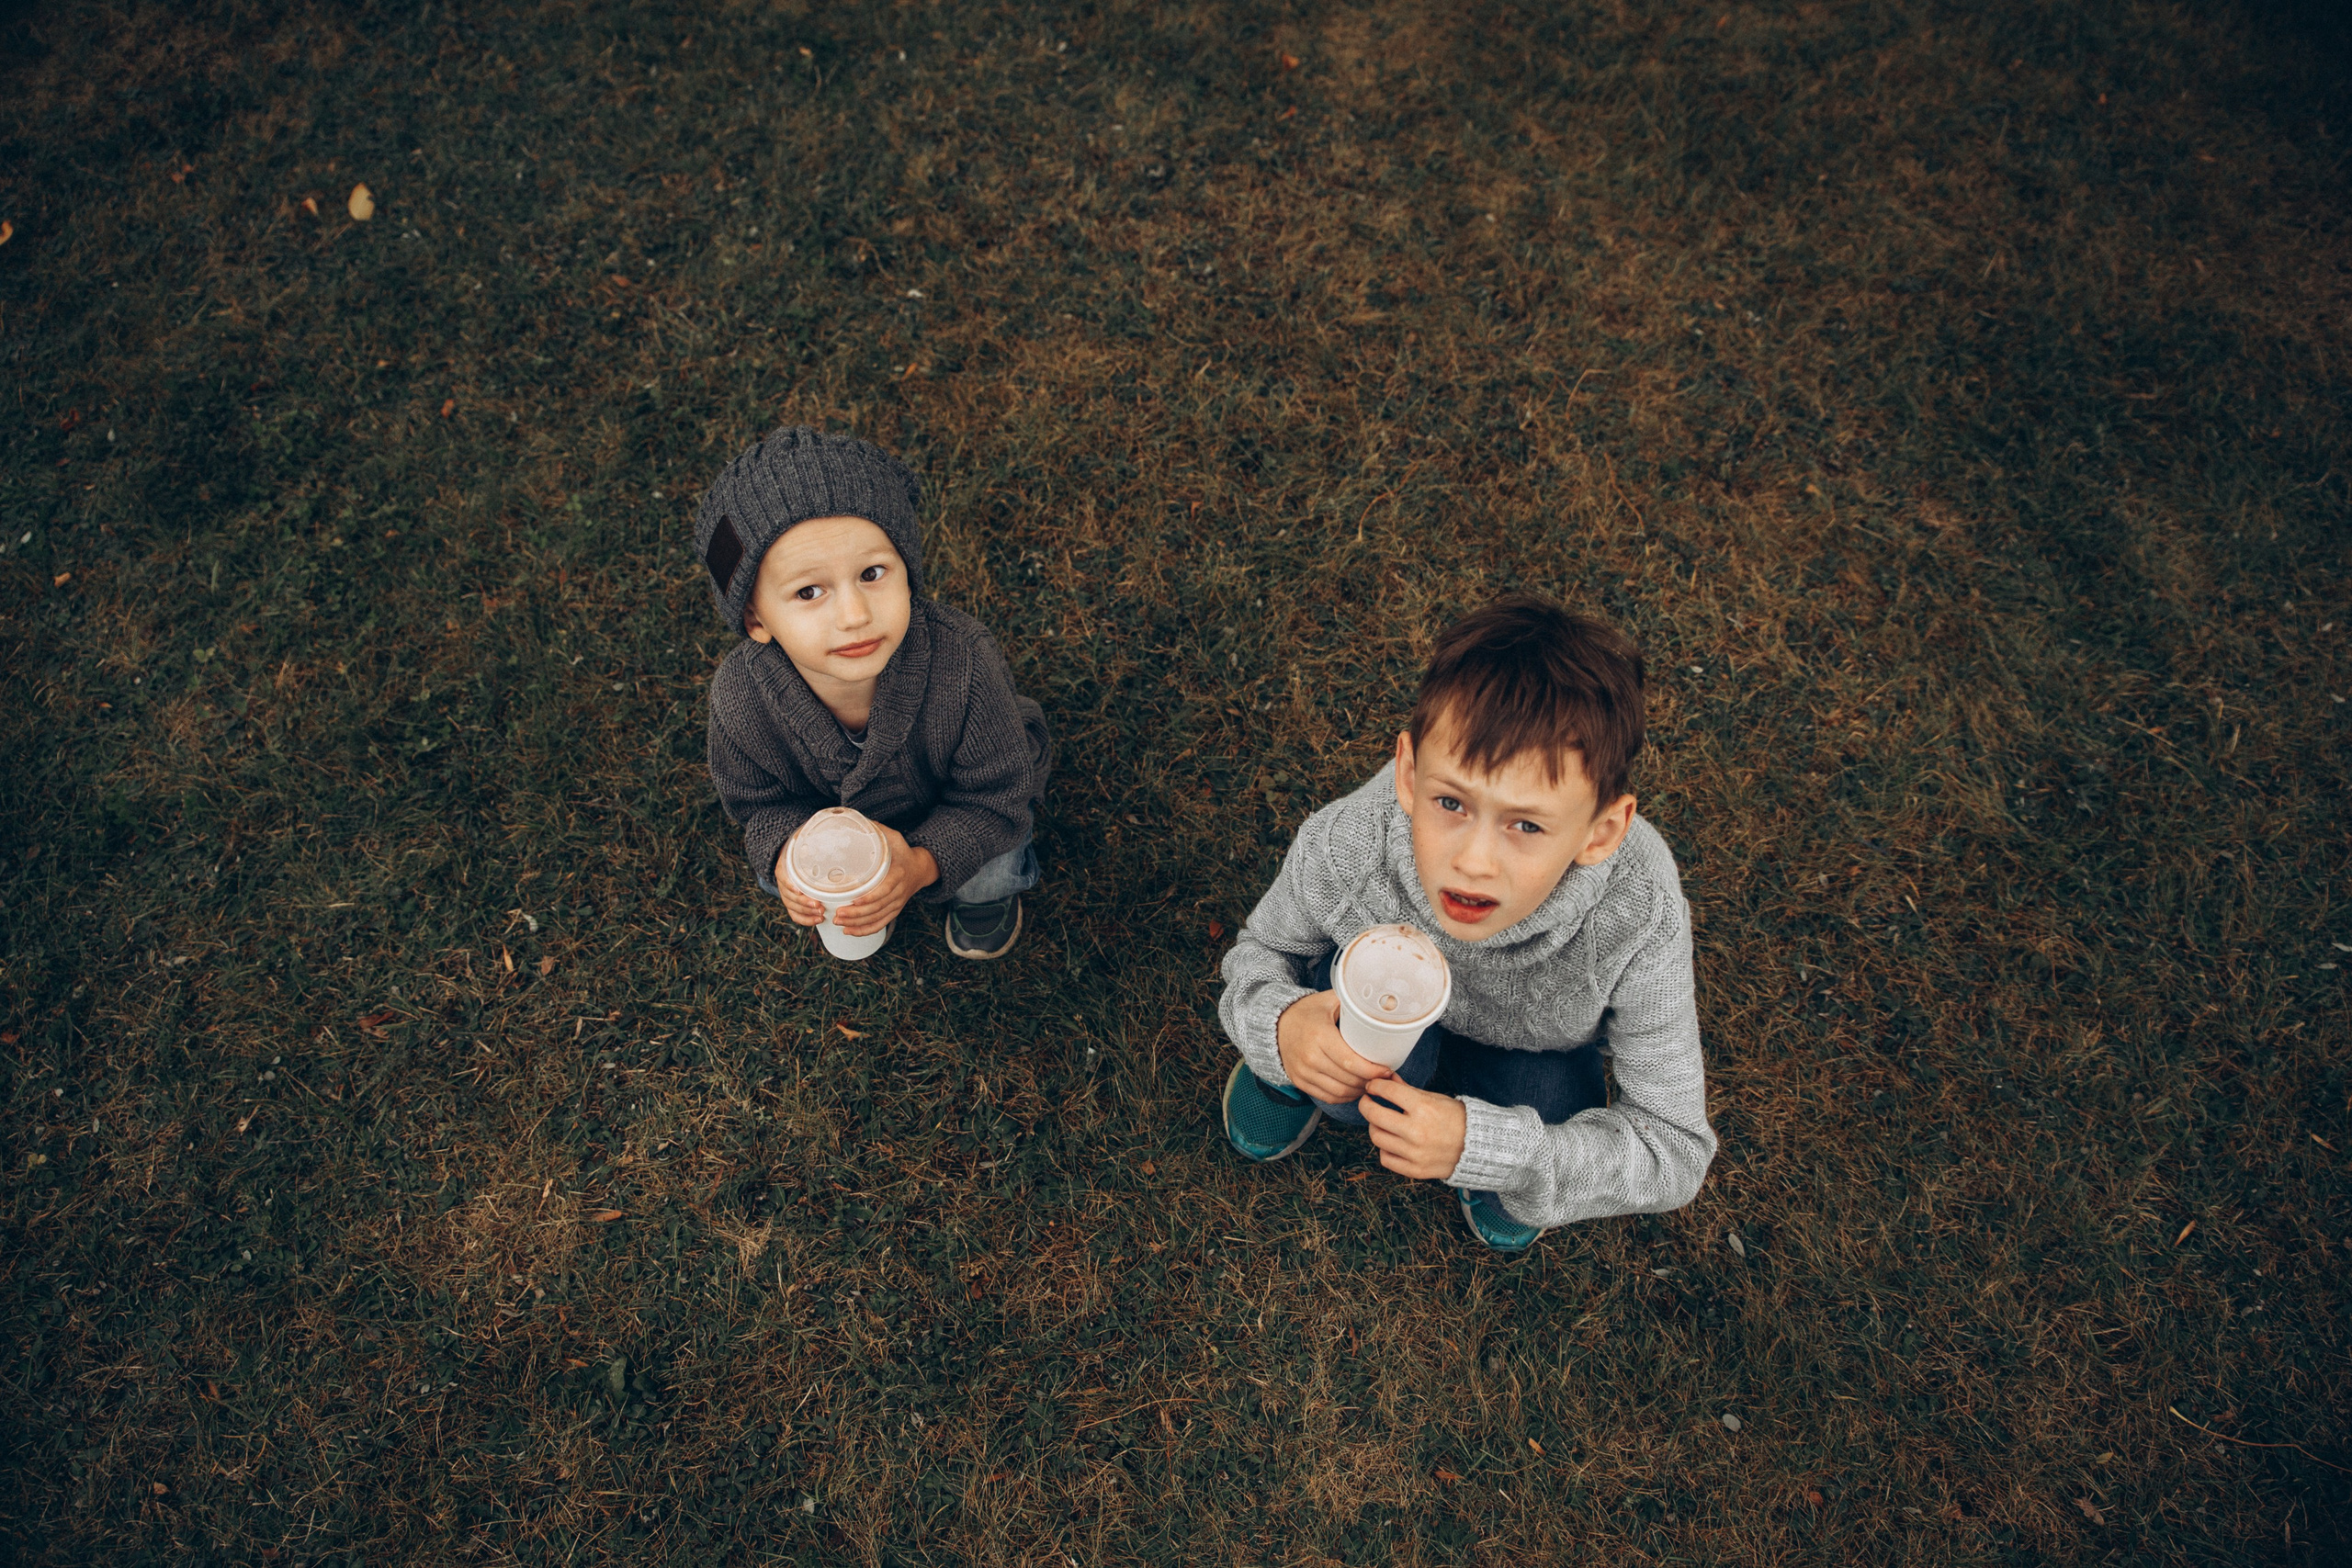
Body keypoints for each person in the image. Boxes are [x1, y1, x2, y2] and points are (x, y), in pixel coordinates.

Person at [1217, 593, 1713, 1251]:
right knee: (1336, 1061)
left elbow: (1673, 1149)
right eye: (1450, 801)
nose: (1473, 862)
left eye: (1527, 825)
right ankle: (1291, 1081)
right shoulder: (1352, 841)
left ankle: (1508, 1173)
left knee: (1543, 1099)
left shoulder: (1639, 913)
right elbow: (1261, 951)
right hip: (1381, 1014)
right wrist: (1278, 1026)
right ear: (1408, 771)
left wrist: (1502, 1153)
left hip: (1532, 1050)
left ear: (1602, 833)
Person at [697, 427, 1048, 959]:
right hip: (842, 844)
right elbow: (759, 805)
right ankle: (856, 898)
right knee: (785, 878)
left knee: (989, 869)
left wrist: (922, 863)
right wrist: (786, 854)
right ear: (755, 617)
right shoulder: (742, 699)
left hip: (960, 812)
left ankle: (984, 899)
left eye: (872, 573)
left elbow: (997, 795)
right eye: (809, 591)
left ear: (908, 573)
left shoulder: (965, 661)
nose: (854, 615)